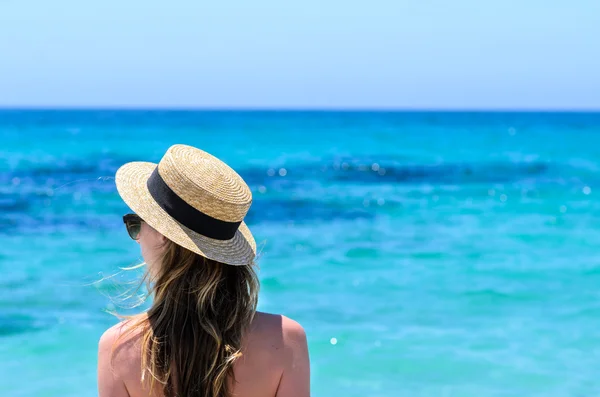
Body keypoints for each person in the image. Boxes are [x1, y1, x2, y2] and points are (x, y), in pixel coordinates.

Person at [98, 144, 310, 397]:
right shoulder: (285, 340)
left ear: (163, 235)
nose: (137, 238)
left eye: (135, 225)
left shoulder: (119, 347)